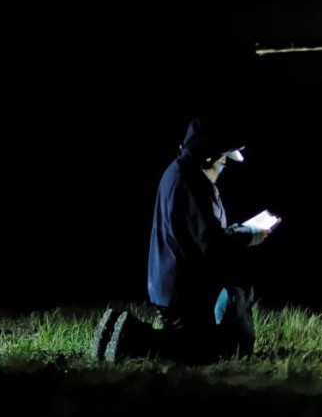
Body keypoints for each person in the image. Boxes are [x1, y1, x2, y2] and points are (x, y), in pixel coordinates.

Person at [92, 117, 274, 363]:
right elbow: (212, 244)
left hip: (170, 288)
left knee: (198, 342)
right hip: (184, 294)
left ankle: (128, 334)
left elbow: (202, 233)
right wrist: (250, 234)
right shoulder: (194, 185)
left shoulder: (176, 172)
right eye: (223, 161)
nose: (223, 166)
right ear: (208, 157)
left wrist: (238, 231)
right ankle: (133, 340)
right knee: (208, 352)